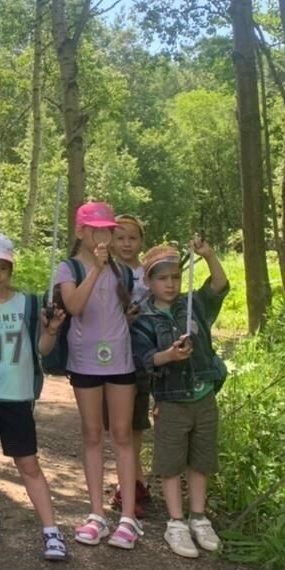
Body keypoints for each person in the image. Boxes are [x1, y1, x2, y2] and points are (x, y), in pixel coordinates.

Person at [0, 231, 69, 561]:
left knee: (28, 463)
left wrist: (51, 331)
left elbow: (42, 351)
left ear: (10, 270)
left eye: (2, 268)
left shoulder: (30, 303)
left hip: (17, 396)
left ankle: (51, 530)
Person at [131, 239, 229, 559]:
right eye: (162, 278)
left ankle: (199, 517)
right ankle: (176, 522)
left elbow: (219, 285)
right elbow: (145, 360)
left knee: (201, 460)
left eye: (174, 277)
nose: (170, 284)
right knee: (170, 462)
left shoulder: (194, 304)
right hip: (170, 401)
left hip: (203, 396)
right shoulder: (144, 319)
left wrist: (210, 255)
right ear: (149, 282)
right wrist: (169, 356)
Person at [56, 201, 143, 550]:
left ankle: (128, 518)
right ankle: (96, 515)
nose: (104, 236)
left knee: (122, 434)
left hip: (121, 361)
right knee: (92, 434)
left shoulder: (123, 271)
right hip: (84, 363)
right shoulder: (69, 268)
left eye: (108, 230)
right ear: (81, 232)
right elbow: (74, 307)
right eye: (97, 230)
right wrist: (96, 269)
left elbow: (135, 305)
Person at [110, 213, 151, 515]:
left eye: (132, 238)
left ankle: (136, 480)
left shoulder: (148, 273)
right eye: (120, 237)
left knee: (135, 421)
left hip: (143, 353)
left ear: (141, 242)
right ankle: (126, 482)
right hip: (111, 353)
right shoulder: (105, 271)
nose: (126, 243)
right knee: (116, 424)